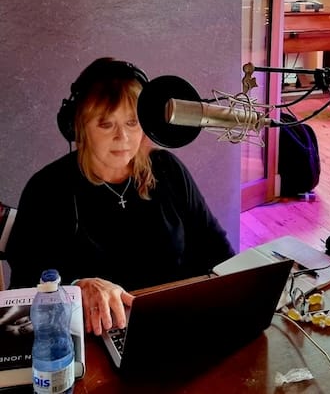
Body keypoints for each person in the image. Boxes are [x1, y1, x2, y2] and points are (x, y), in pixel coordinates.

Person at [5, 57, 235, 336]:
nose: (123, 137)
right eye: (106, 124)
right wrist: (75, 289)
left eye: (132, 122)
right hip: (91, 338)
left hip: (177, 324)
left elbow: (218, 252)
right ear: (80, 126)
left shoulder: (168, 170)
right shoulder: (47, 188)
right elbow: (23, 291)